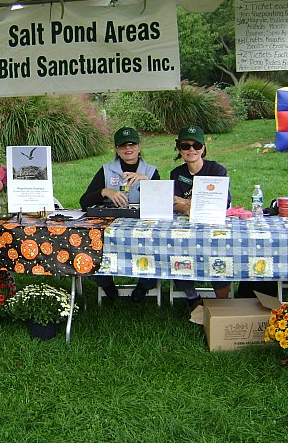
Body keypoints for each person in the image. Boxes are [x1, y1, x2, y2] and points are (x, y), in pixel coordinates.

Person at [80, 126, 160, 303]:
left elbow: (162, 203)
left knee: (155, 245)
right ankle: (106, 283)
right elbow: (84, 201)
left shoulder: (151, 171)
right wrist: (104, 191)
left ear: (139, 147)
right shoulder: (106, 170)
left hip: (142, 225)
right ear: (116, 149)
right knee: (89, 244)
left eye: (132, 144)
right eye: (123, 146)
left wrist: (147, 182)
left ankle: (144, 285)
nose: (128, 149)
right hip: (111, 224)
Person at [170, 125, 232, 310]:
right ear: (179, 148)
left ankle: (222, 304)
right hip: (186, 225)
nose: (191, 150)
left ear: (203, 148)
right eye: (185, 145)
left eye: (196, 145)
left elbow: (223, 202)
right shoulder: (176, 173)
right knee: (175, 249)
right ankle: (192, 297)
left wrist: (187, 202)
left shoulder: (217, 170)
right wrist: (195, 202)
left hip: (212, 224)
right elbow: (173, 204)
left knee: (219, 253)